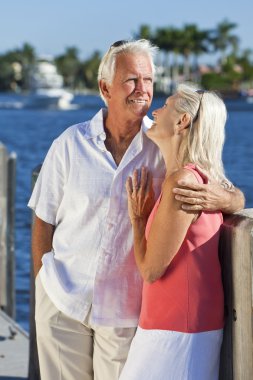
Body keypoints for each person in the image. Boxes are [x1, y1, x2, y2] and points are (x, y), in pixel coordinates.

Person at [28, 40, 244, 380]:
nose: (143, 90)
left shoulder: (163, 147)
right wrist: (43, 280)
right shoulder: (70, 143)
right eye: (132, 80)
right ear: (105, 87)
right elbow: (43, 218)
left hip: (125, 313)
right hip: (63, 301)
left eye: (148, 80)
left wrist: (226, 200)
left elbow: (226, 190)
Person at [119, 85, 237, 380]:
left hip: (175, 332)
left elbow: (150, 270)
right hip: (179, 326)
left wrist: (137, 218)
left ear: (183, 121)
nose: (155, 112)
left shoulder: (182, 182)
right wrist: (236, 199)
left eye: (166, 106)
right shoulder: (197, 177)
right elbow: (234, 196)